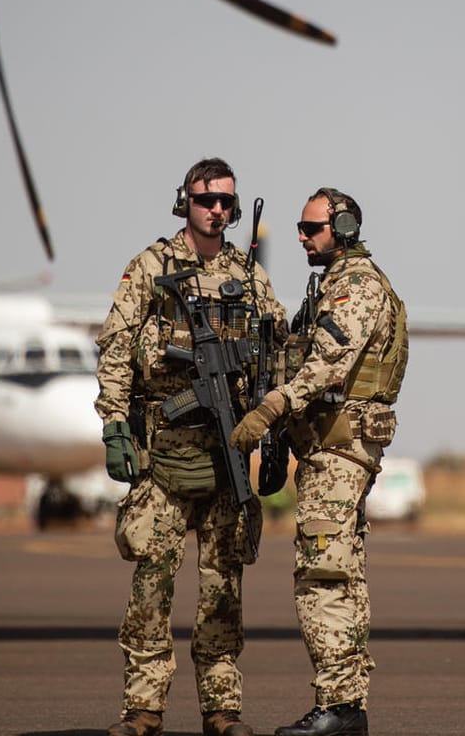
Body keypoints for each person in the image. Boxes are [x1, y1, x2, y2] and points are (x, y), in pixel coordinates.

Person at [94, 158, 286, 736]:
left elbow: (276, 354)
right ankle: (143, 709)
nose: (219, 211)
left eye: (227, 201)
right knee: (151, 583)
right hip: (164, 455)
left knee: (223, 587)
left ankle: (222, 710)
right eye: (208, 200)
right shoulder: (152, 266)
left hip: (227, 454)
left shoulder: (249, 276)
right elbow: (114, 350)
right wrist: (114, 426)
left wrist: (275, 435)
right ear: (186, 202)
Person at [232, 188, 407, 736]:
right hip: (328, 447)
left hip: (340, 448)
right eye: (300, 229)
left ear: (345, 227)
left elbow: (330, 363)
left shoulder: (356, 286)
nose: (302, 238)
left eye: (312, 229)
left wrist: (272, 407)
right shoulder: (328, 286)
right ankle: (346, 705)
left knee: (323, 574)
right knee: (342, 572)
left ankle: (337, 706)